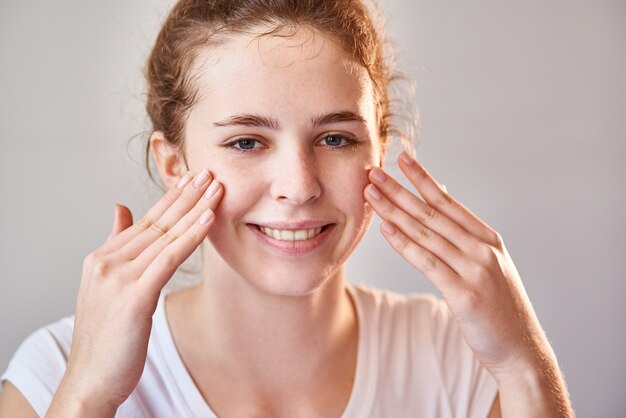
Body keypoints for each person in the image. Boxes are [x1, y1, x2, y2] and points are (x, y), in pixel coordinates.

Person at [0, 0, 574, 417]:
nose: (298, 188)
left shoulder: (460, 359)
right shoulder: (54, 370)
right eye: (247, 142)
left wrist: (527, 365)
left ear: (381, 148)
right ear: (173, 163)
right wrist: (89, 396)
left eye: (335, 139)